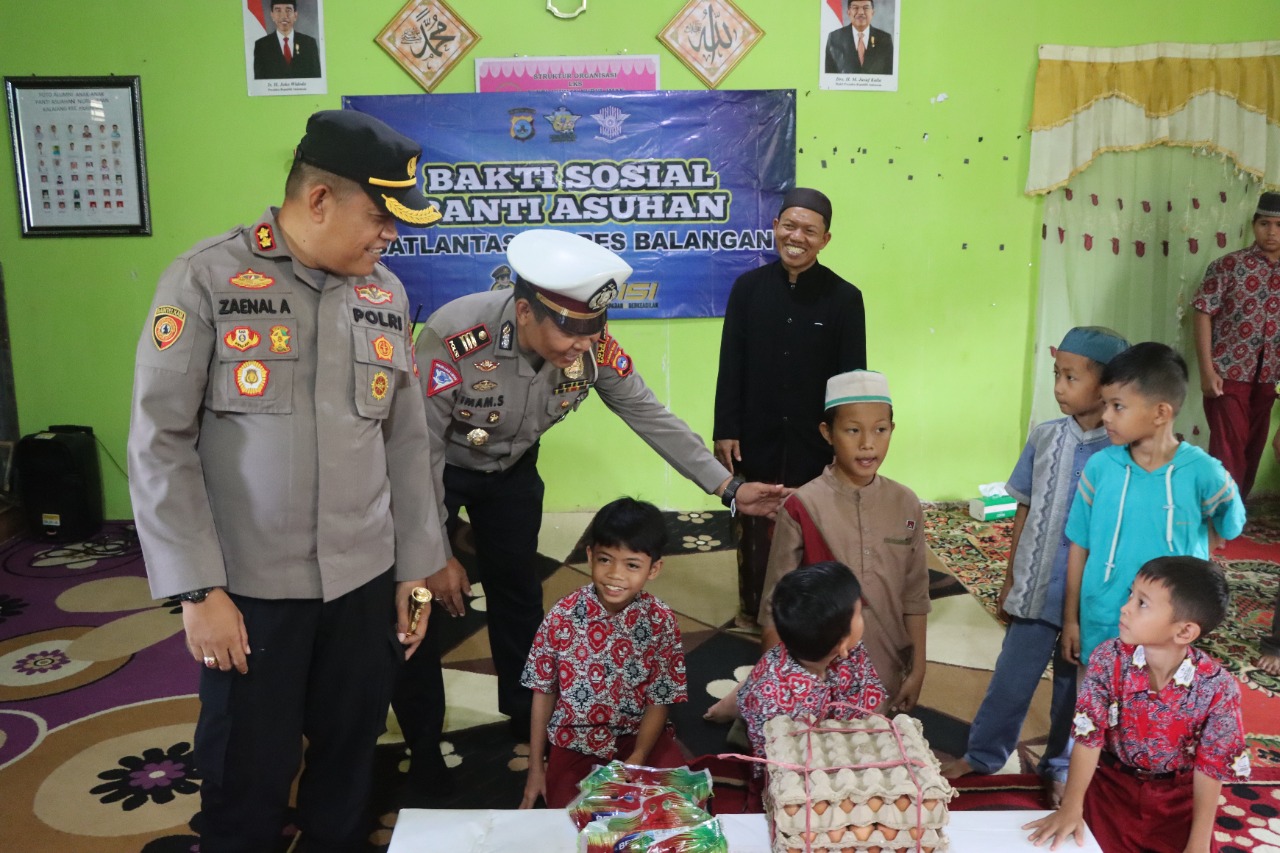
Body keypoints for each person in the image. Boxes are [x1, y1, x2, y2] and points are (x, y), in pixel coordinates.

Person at [127, 109, 446, 852]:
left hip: (362, 582)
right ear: (320, 199)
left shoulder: (385, 295)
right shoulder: (205, 278)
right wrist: (196, 589)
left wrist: (415, 571)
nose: (390, 236)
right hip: (250, 590)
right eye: (380, 218)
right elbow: (159, 440)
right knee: (246, 768)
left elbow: (405, 441)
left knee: (350, 755)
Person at [393, 228, 786, 805]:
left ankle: (523, 716)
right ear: (525, 312)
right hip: (438, 469)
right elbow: (417, 450)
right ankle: (424, 745)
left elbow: (648, 413)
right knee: (418, 598)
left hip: (512, 470)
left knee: (518, 591)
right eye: (570, 331)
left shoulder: (591, 346)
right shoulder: (456, 336)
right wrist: (434, 552)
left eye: (593, 330)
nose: (583, 345)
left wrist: (728, 487)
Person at [944, 327, 1129, 801]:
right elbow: (1023, 507)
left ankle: (1060, 767)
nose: (1059, 387)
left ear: (1107, 385)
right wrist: (1011, 577)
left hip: (1087, 601)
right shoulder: (1045, 437)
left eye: (1071, 377)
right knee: (1010, 680)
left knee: (1073, 690)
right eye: (1056, 375)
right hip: (1036, 587)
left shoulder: (1120, 451)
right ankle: (983, 753)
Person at [706, 370, 927, 722]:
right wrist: (777, 688)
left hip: (886, 666)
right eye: (852, 430)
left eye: (880, 430)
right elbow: (776, 603)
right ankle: (746, 697)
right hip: (816, 674)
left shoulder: (906, 504)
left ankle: (742, 698)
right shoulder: (804, 505)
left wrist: (918, 668)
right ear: (827, 433)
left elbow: (916, 594)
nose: (868, 443)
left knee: (872, 746)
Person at [714, 187, 866, 629]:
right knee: (753, 525)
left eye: (809, 231)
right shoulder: (748, 289)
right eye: (790, 226)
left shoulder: (844, 298)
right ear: (776, 227)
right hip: (754, 435)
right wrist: (725, 428)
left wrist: (846, 442)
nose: (797, 237)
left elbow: (851, 380)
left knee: (813, 523)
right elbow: (730, 365)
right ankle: (754, 608)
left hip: (814, 441)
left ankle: (808, 616)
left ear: (825, 240)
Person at [1025, 556, 1250, 852]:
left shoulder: (1218, 688)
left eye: (1142, 603)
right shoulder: (1108, 659)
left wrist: (1197, 844)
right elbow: (1088, 737)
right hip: (1110, 791)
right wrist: (1071, 806)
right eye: (1131, 595)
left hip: (1177, 805)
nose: (1125, 607)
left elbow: (1211, 768)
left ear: (1184, 632)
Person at [1062, 342, 1246, 670]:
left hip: (1167, 628)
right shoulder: (1100, 468)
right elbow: (1079, 544)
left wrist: (1206, 536)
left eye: (1118, 406)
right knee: (1096, 694)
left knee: (1158, 696)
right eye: (1105, 404)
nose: (1105, 416)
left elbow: (1229, 526)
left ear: (1161, 413)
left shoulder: (1204, 472)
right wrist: (1071, 619)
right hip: (1101, 615)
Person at [518, 497, 687, 809]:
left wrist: (638, 757)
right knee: (570, 816)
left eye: (632, 565)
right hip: (575, 740)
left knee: (677, 804)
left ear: (654, 569)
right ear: (589, 556)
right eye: (605, 559)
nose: (615, 575)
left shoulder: (661, 620)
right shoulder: (561, 617)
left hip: (639, 736)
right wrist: (535, 768)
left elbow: (660, 698)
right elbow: (543, 692)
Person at [738, 562, 885, 806]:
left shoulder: (852, 655)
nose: (863, 617)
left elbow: (867, 705)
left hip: (833, 738)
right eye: (859, 614)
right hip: (794, 767)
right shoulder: (773, 697)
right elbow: (775, 766)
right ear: (841, 644)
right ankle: (733, 713)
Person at [1192, 191, 1280, 501]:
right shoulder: (1229, 265)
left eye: (1279, 225)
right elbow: (1203, 312)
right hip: (1227, 374)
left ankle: (1235, 512)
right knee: (1228, 450)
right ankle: (1221, 513)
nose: (1271, 232)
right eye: (1265, 224)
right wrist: (1207, 371)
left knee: (1253, 449)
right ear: (1254, 225)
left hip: (1269, 378)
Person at [254, 0, 322, 80]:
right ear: (272, 15)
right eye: (278, 10)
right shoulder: (261, 46)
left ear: (295, 15)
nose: (284, 16)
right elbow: (259, 81)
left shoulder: (309, 44)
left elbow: (316, 80)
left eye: (288, 10)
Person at [824, 0, 894, 75]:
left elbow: (889, 75)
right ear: (848, 12)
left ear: (872, 12)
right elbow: (829, 76)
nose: (861, 12)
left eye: (866, 8)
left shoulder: (885, 39)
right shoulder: (835, 38)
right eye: (855, 7)